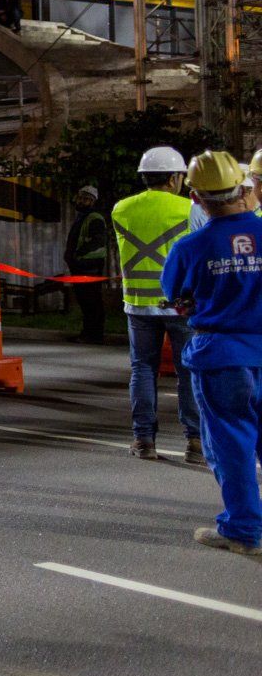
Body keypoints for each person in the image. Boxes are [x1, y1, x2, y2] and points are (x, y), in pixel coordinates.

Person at [160, 150, 262, 554]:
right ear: (243, 188)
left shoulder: (190, 247)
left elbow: (175, 295)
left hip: (222, 357)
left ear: (196, 198)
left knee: (231, 446)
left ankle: (243, 531)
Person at [112, 146, 203, 462]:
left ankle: (144, 440)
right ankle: (195, 442)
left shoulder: (121, 209)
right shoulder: (190, 209)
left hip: (138, 304)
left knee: (142, 369)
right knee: (188, 371)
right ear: (175, 177)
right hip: (180, 305)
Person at [64, 184, 110, 343]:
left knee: (91, 301)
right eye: (80, 198)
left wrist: (78, 253)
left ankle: (94, 335)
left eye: (85, 199)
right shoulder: (83, 217)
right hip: (81, 265)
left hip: (89, 266)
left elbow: (98, 240)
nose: (81, 201)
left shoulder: (94, 218)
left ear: (92, 201)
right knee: (85, 301)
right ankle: (88, 333)